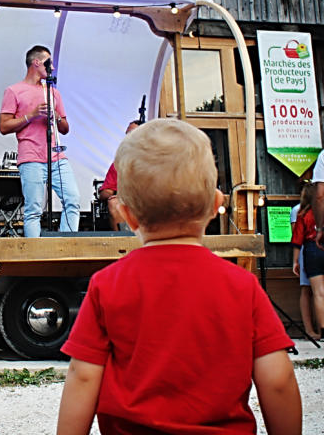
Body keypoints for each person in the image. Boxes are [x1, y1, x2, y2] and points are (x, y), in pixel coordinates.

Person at [57, 119, 300, 435]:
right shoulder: (243, 286)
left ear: (127, 215)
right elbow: (278, 380)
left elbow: (84, 376)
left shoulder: (107, 285)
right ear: (216, 205)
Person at [0, 45, 79, 237]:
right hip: (31, 156)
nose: (52, 67)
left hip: (56, 155)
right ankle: (35, 254)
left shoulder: (53, 92)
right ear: (37, 62)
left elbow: (65, 128)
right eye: (48, 62)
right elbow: (3, 127)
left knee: (72, 199)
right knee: (33, 209)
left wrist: (57, 117)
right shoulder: (14, 91)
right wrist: (31, 116)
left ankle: (67, 247)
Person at [291, 181, 324, 342]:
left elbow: (297, 239)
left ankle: (322, 331)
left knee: (318, 293)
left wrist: (295, 261)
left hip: (311, 249)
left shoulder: (302, 214)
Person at [98, 120, 141, 230]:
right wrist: (117, 196)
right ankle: (123, 243)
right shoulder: (119, 164)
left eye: (132, 134)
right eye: (127, 135)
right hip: (128, 203)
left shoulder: (157, 159)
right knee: (114, 203)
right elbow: (104, 193)